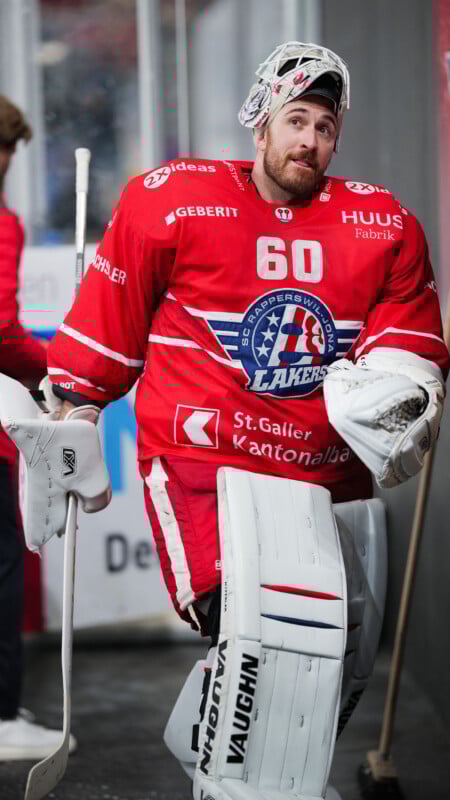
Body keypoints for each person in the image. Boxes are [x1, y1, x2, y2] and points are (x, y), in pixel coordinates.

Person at [2, 42, 448, 797]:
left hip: (324, 475)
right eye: (296, 120)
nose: (310, 140)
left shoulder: (382, 224)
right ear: (260, 123)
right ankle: (245, 783)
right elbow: (108, 327)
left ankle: (262, 773)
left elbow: (407, 338)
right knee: (257, 633)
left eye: (325, 127)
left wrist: (405, 390)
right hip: (204, 466)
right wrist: (74, 412)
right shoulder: (174, 201)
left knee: (336, 660)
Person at [0, 94, 76, 759]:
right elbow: (0, 331)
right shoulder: (2, 224)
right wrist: (56, 368)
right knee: (2, 561)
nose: (5, 161)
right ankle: (0, 718)